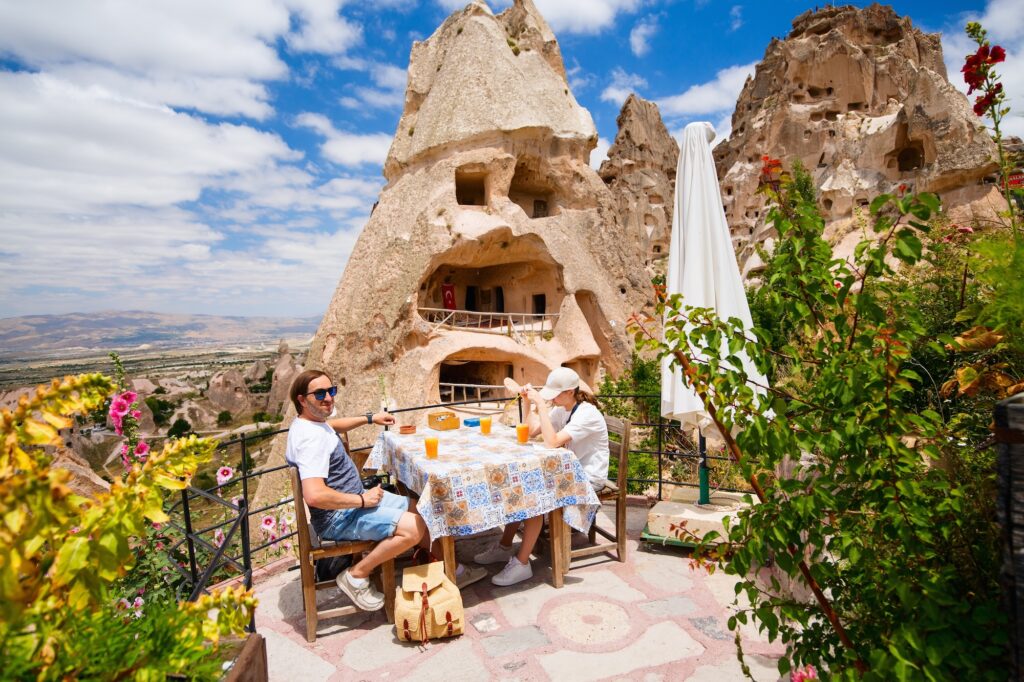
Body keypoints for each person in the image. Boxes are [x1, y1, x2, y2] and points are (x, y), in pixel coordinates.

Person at [286, 370, 484, 611]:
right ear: (301, 399)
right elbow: (314, 495)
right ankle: (356, 575)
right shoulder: (310, 440)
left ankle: (450, 569)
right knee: (415, 526)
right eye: (319, 394)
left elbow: (333, 425)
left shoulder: (310, 424)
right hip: (340, 516)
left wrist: (370, 418)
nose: (328, 397)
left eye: (331, 390)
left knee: (423, 509)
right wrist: (362, 500)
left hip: (353, 504)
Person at [473, 366, 610, 586]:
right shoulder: (563, 408)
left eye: (555, 394)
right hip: (567, 471)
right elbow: (530, 431)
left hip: (587, 477)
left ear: (570, 392)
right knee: (521, 488)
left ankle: (522, 563)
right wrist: (528, 403)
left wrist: (542, 406)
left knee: (533, 496)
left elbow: (552, 442)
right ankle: (505, 546)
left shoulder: (587, 414)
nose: (552, 398)